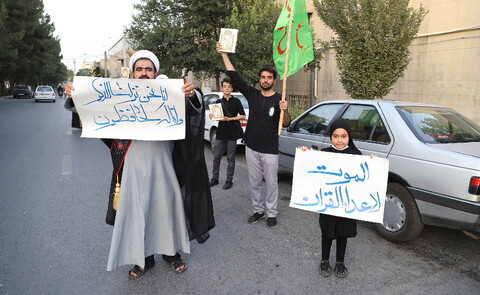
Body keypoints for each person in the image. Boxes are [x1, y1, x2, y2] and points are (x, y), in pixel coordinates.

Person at [97, 50, 214, 279]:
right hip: (132, 167)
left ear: (156, 73)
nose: (143, 73)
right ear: (132, 73)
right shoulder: (119, 96)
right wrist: (74, 96)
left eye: (148, 69)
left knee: (165, 211)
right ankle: (143, 260)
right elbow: (91, 110)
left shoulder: (169, 93)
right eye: (139, 69)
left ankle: (171, 254)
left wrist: (192, 95)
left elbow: (195, 108)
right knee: (137, 213)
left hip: (164, 165)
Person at [216, 42, 291, 229]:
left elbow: (286, 122)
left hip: (270, 149)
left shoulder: (279, 99)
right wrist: (224, 54)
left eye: (269, 77)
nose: (265, 80)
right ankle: (258, 210)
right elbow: (235, 76)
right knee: (255, 183)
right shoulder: (252, 94)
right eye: (263, 77)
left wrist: (286, 110)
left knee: (272, 184)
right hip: (251, 147)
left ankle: (272, 213)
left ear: (274, 80)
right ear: (260, 80)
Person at [299, 119, 367, 278]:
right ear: (331, 137)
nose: (340, 140)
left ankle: (340, 262)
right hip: (328, 204)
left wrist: (371, 162)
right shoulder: (324, 154)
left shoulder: (356, 155)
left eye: (344, 136)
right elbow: (310, 168)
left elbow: (365, 177)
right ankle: (324, 260)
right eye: (336, 136)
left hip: (346, 204)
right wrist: (304, 154)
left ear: (349, 137)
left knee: (343, 233)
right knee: (326, 232)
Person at [209, 78, 246, 190]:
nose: (227, 88)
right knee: (216, 157)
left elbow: (243, 116)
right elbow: (214, 115)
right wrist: (212, 116)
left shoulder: (236, 101)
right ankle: (215, 178)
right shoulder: (218, 102)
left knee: (231, 159)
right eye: (225, 86)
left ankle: (229, 180)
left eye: (229, 86)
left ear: (231, 88)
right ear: (222, 87)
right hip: (220, 133)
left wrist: (229, 119)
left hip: (232, 133)